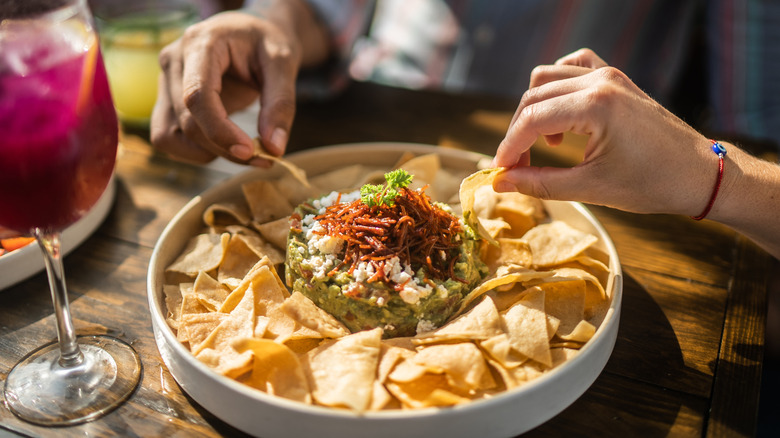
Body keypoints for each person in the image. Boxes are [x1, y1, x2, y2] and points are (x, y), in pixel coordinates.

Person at [155, 0, 780, 167]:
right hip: (357, 126)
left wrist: (712, 166)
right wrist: (265, 28)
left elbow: (749, 133)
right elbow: (318, 12)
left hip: (575, 174)